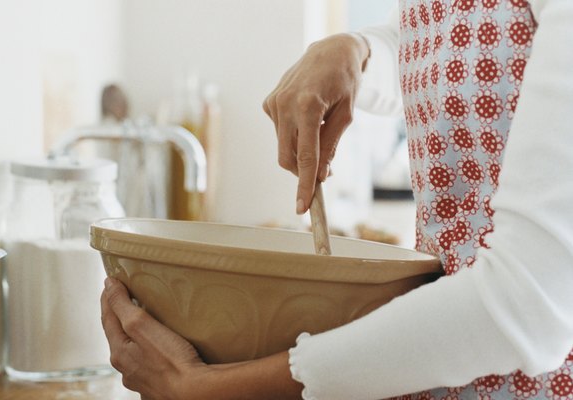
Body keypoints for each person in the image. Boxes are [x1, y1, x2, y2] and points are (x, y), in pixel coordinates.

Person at [100, 0, 573, 398]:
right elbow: (459, 51)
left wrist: (209, 386)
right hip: (430, 374)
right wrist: (356, 51)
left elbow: (530, 301)